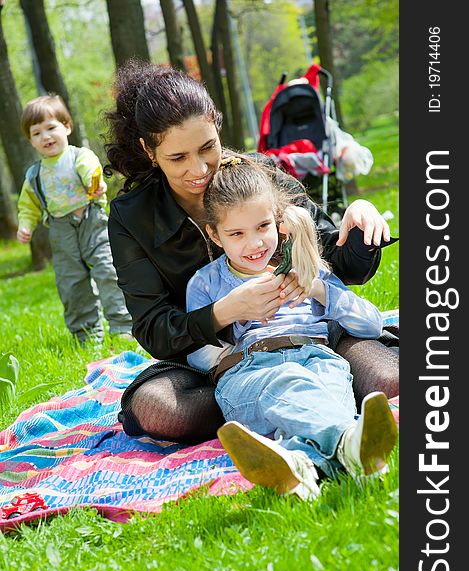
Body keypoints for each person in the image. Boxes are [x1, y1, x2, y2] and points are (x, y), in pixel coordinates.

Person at [104, 59, 398, 443]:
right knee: (157, 409)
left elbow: (337, 263)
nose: (199, 169)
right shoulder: (132, 217)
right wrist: (227, 311)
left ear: (216, 124)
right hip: (220, 362)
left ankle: (298, 409)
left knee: (388, 379)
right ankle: (312, 410)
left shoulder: (256, 174)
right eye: (178, 158)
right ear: (148, 150)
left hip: (312, 336)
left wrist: (360, 225)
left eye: (207, 147)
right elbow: (154, 329)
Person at [186, 155, 398, 498]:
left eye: (262, 227)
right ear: (214, 234)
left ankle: (300, 466)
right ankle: (353, 446)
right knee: (290, 381)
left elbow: (372, 323)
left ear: (278, 221)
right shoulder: (208, 283)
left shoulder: (306, 268)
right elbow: (196, 352)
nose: (254, 243)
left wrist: (317, 288)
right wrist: (232, 328)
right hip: (252, 371)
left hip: (318, 359)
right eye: (236, 233)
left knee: (325, 386)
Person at [17, 94, 132, 344]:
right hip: (60, 229)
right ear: (31, 141)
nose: (46, 137)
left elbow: (91, 170)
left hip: (92, 220)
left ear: (66, 127)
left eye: (51, 128)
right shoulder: (34, 175)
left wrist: (96, 183)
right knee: (71, 282)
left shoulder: (79, 156)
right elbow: (28, 205)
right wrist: (25, 225)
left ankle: (122, 325)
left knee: (107, 269)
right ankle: (87, 333)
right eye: (37, 133)